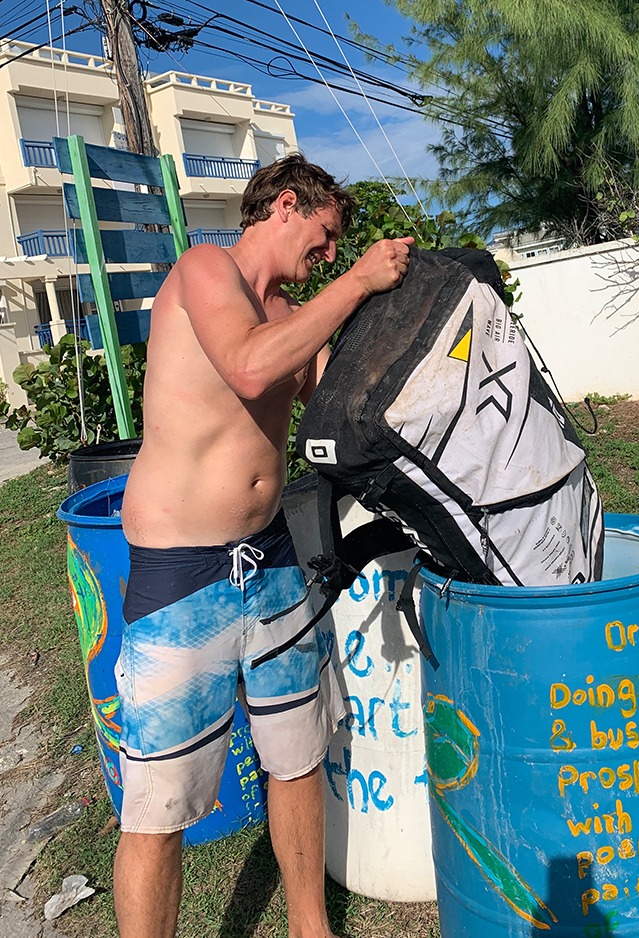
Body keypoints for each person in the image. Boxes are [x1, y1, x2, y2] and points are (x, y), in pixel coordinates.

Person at [114, 153, 412, 938]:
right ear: (286, 205)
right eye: (323, 238)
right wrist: (357, 286)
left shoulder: (287, 313)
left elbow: (337, 409)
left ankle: (311, 929)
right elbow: (248, 369)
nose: (329, 258)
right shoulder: (207, 270)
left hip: (272, 559)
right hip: (184, 575)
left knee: (298, 753)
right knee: (160, 803)